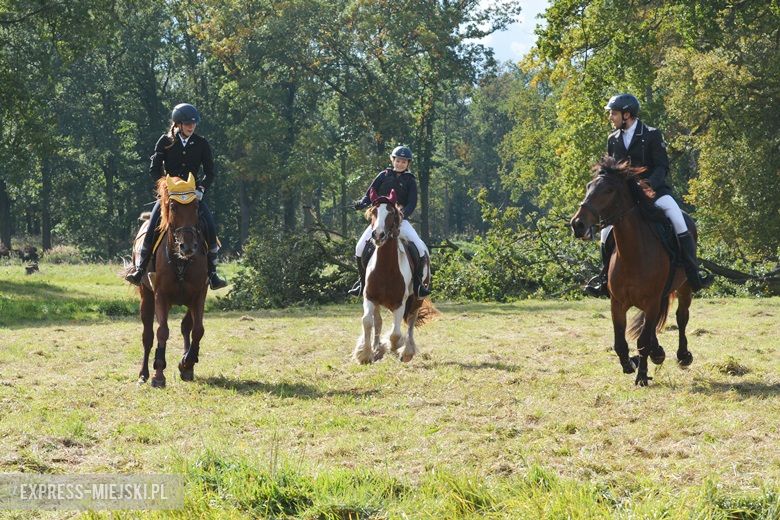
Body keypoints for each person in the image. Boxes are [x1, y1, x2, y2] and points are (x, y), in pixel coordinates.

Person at [583, 93, 711, 297]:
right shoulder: (613, 139)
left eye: (614, 114)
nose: (611, 118)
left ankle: (693, 273)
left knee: (679, 219)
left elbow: (662, 166)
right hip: (625, 200)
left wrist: (648, 186)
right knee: (606, 234)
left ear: (627, 115)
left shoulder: (651, 134)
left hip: (655, 192)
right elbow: (608, 171)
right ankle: (604, 279)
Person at [125, 103, 228, 289]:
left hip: (192, 197)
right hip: (170, 197)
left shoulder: (202, 143)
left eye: (194, 123)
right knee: (152, 227)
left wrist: (201, 189)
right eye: (188, 123)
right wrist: (165, 188)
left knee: (210, 226)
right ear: (178, 124)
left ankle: (212, 273)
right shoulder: (164, 142)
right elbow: (154, 169)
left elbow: (210, 172)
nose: (192, 126)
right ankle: (140, 269)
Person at [348, 145, 431, 298]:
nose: (400, 164)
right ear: (393, 160)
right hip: (380, 220)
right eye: (398, 160)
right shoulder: (383, 175)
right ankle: (361, 282)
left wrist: (400, 216)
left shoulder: (410, 180)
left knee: (419, 248)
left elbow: (412, 203)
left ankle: (418, 284)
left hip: (400, 221)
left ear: (408, 164)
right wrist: (361, 203)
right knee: (360, 247)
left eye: (404, 162)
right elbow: (369, 194)